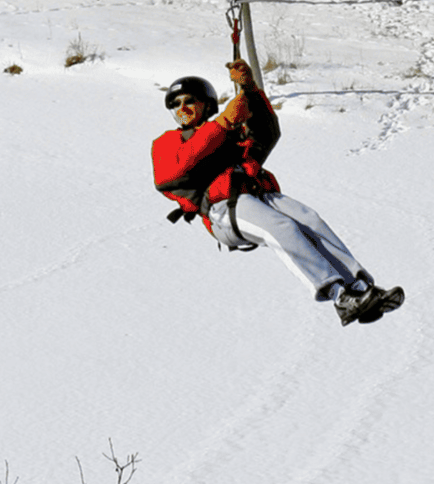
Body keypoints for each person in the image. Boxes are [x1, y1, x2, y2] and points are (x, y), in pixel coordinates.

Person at [151, 59, 404, 326]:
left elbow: (266, 134)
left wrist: (249, 90)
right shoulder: (168, 143)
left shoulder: (230, 131)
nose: (183, 108)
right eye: (176, 104)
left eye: (189, 101)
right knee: (282, 228)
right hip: (223, 208)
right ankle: (339, 295)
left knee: (310, 220)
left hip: (259, 195)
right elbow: (173, 172)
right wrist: (223, 124)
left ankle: (360, 288)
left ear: (207, 103)